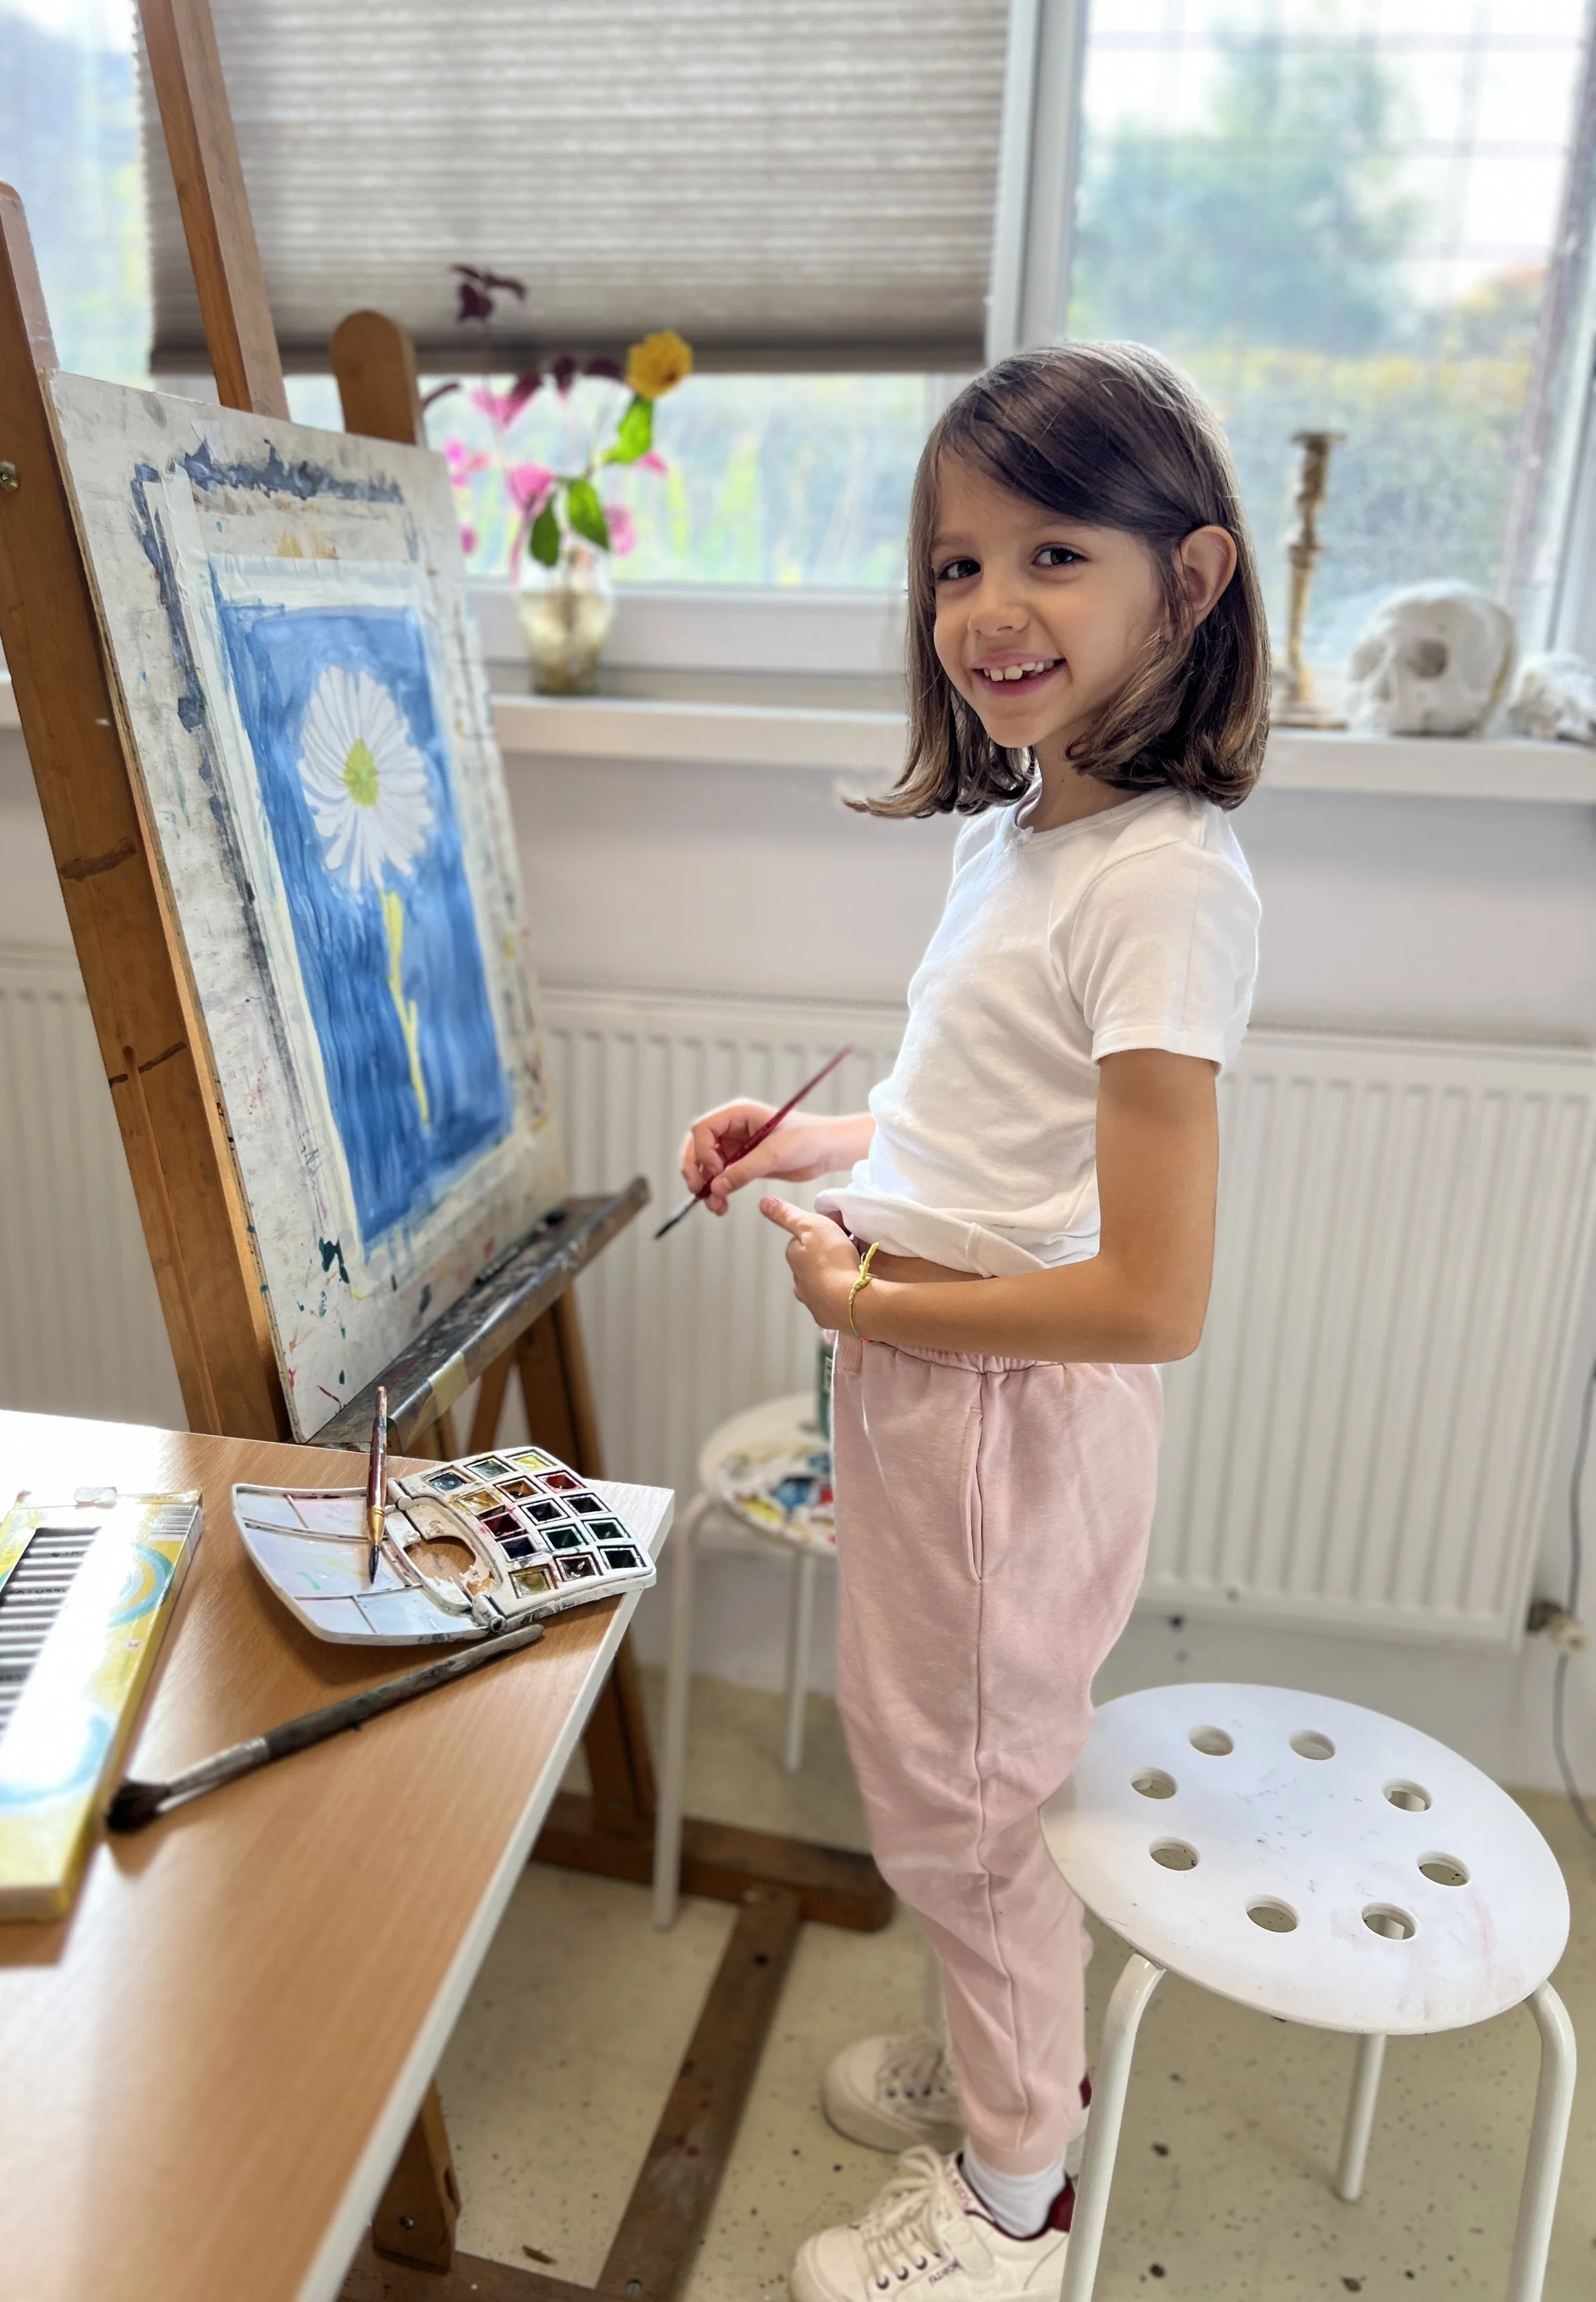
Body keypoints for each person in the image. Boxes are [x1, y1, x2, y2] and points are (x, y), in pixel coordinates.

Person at [677, 343, 1266, 2302]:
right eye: (951, 565)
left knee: (969, 1793)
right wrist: (809, 1143)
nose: (988, 609)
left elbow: (1152, 1295)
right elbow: (969, 1132)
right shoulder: (1016, 835)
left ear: (1184, 584)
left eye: (1050, 554)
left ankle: (1016, 2203)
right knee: (944, 1772)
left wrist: (876, 1299)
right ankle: (1014, 2081)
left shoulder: (1164, 883)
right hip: (932, 1384)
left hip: (1001, 1409)